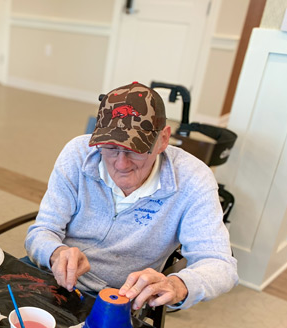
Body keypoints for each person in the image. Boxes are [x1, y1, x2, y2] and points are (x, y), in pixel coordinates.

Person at [25, 82, 237, 311]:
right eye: (110, 148)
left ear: (163, 140)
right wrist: (56, 253)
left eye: (134, 150)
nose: (120, 163)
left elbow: (220, 264)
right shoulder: (78, 154)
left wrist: (178, 285)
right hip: (50, 277)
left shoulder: (192, 179)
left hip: (120, 298)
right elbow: (42, 231)